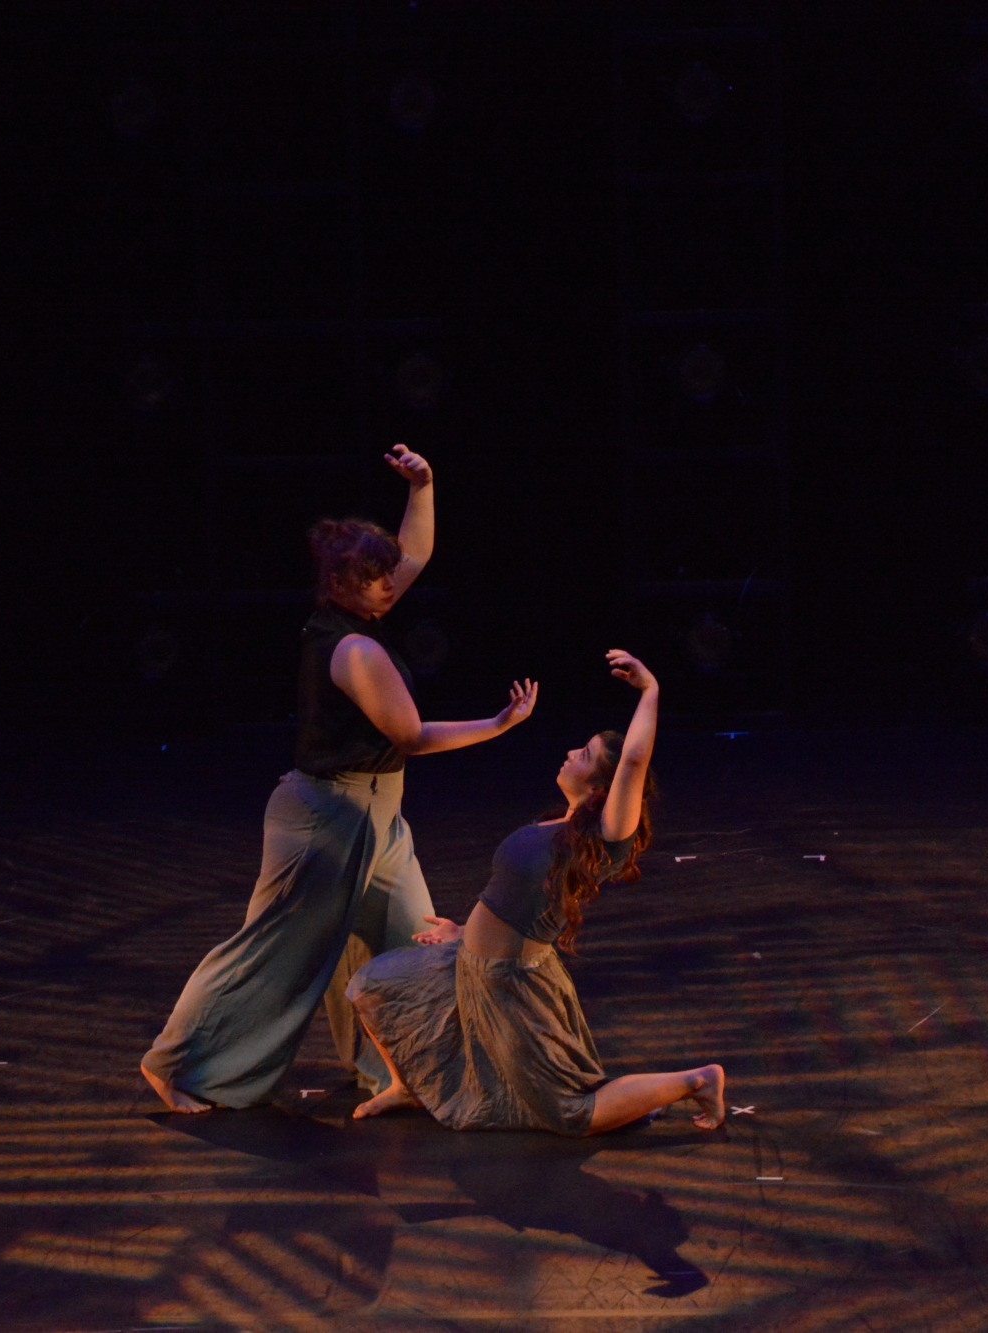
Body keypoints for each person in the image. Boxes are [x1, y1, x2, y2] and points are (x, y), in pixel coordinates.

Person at [140, 444, 538, 1114]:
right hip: (326, 821)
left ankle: (398, 1072)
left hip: (379, 818)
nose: (390, 585)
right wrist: (498, 724)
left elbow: (416, 552)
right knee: (275, 950)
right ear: (342, 585)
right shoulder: (353, 649)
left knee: (412, 939)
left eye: (386, 575)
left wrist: (422, 485)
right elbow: (411, 736)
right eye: (375, 577)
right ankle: (177, 1064)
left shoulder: (361, 612)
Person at [346, 649, 725, 1136]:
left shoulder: (603, 838)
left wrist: (650, 690)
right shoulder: (558, 825)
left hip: (512, 984)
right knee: (372, 987)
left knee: (570, 1112)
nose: (570, 753)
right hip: (470, 961)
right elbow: (512, 896)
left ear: (602, 790)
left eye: (584, 755)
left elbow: (633, 760)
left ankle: (697, 1080)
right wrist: (464, 931)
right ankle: (406, 1087)